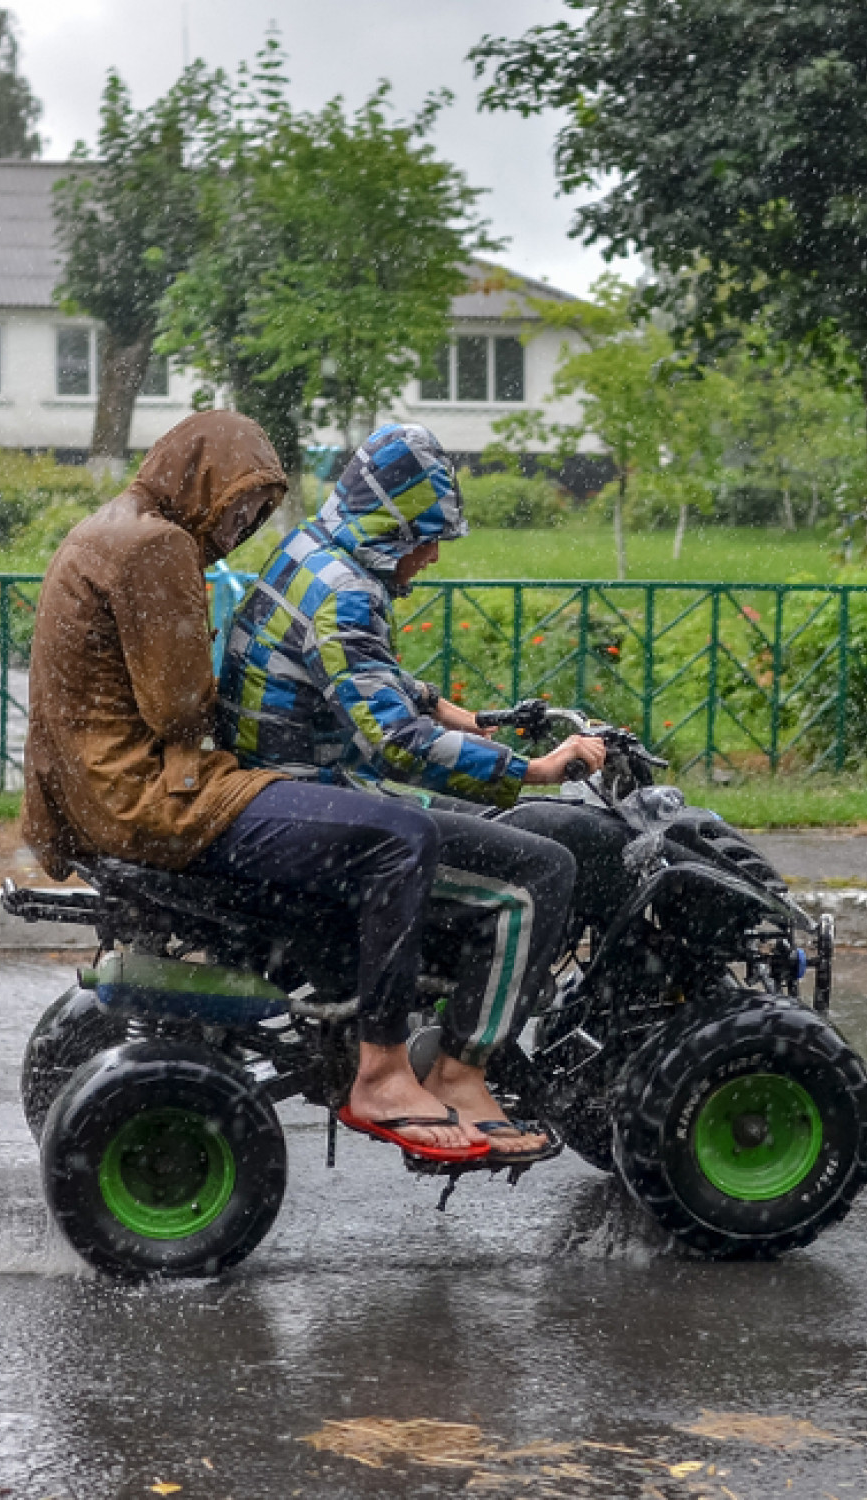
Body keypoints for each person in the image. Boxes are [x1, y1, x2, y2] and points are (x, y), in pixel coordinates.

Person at [21, 412, 479, 1167]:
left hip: (96, 786)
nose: (239, 528)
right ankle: (386, 1066)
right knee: (397, 835)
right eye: (238, 506)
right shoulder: (159, 545)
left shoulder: (110, 526)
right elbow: (178, 709)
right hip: (145, 795)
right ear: (199, 480)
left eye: (258, 513)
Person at [217, 422, 607, 1167]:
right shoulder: (347, 593)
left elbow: (368, 680)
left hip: (289, 785)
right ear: (387, 523)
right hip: (316, 798)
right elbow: (396, 744)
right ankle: (461, 1073)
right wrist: (535, 771)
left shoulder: (314, 553)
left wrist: (479, 720)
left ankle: (448, 1020)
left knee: (496, 830)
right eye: (424, 538)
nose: (428, 557)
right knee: (539, 872)